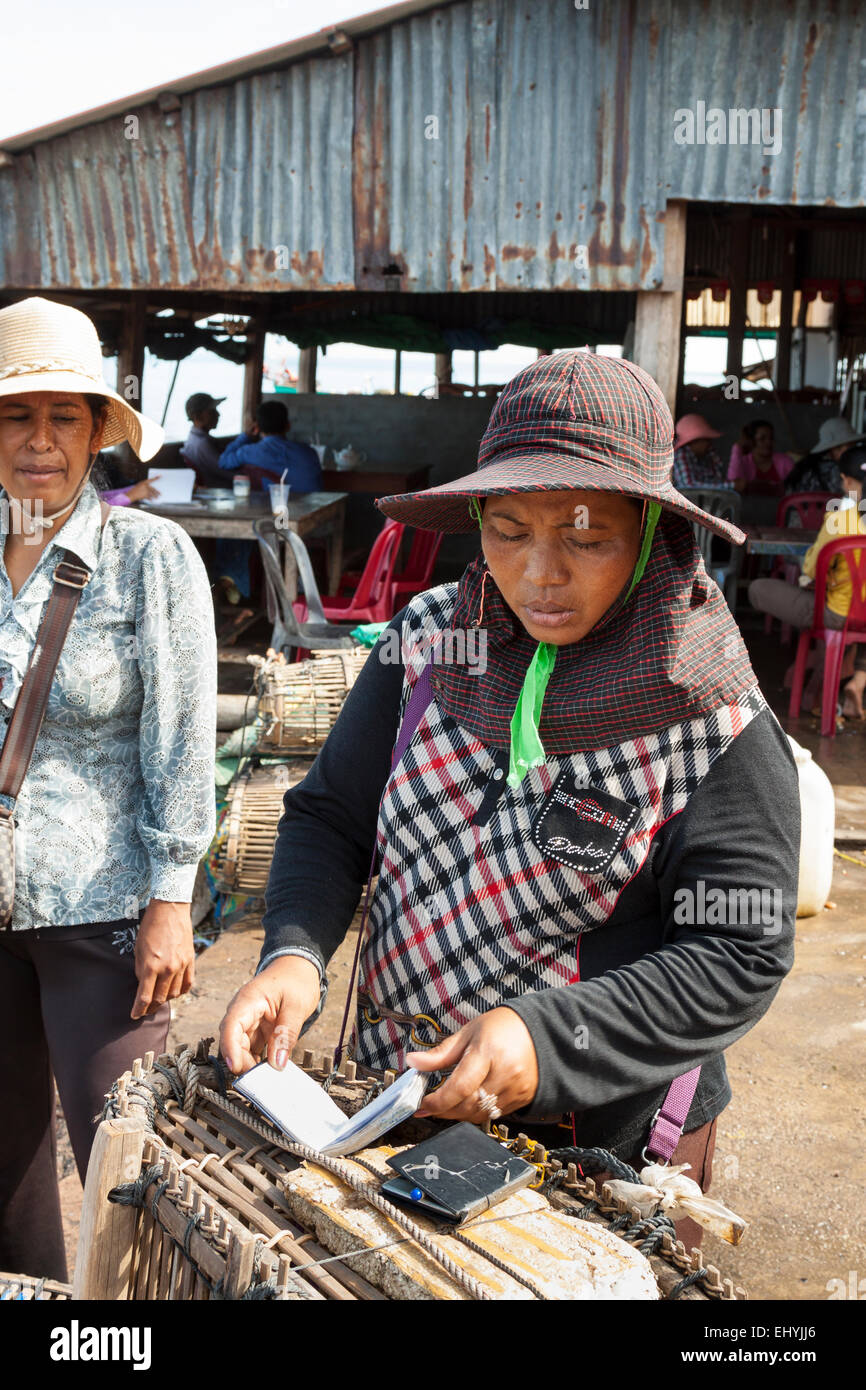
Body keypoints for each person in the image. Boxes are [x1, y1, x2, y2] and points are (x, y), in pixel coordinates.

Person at [220, 352, 799, 1252]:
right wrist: (296, 951)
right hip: (399, 1105)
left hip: (600, 1141)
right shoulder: (429, 647)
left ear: (651, 531)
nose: (540, 574)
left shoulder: (711, 714)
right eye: (508, 529)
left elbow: (738, 948)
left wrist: (543, 1039)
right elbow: (331, 817)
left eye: (587, 536)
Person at [0, 297, 217, 1281]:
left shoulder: (148, 559)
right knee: (3, 1176)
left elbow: (179, 742)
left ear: (97, 432)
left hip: (105, 917)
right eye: (15, 414)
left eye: (63, 416)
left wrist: (171, 899)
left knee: (126, 1175)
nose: (39, 439)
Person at [749, 445, 866, 709]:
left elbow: (811, 570)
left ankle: (808, 676)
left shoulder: (840, 519)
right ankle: (856, 682)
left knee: (758, 588)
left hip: (835, 615)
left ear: (846, 481)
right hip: (863, 614)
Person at [218, 398, 322, 491]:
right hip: (313, 509)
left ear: (257, 428)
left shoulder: (249, 452)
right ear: (288, 426)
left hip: (275, 508)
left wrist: (245, 436)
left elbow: (223, 462)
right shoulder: (309, 452)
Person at [785, 417, 866, 495]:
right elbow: (855, 497)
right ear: (836, 449)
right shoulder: (837, 471)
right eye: (851, 446)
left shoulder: (804, 468)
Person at [728, 419, 794, 494]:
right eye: (762, 439)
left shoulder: (785, 461)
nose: (768, 442)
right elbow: (733, 484)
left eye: (771, 438)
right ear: (751, 441)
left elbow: (796, 487)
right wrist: (736, 449)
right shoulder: (744, 462)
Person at [671, 413, 730, 491]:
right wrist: (731, 485)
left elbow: (717, 478)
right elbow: (690, 486)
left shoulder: (706, 455)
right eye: (706, 440)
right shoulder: (681, 455)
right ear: (694, 442)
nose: (709, 444)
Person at [182, 391, 225, 474]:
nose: (218, 414)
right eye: (212, 411)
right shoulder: (202, 444)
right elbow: (227, 472)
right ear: (198, 416)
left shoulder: (193, 438)